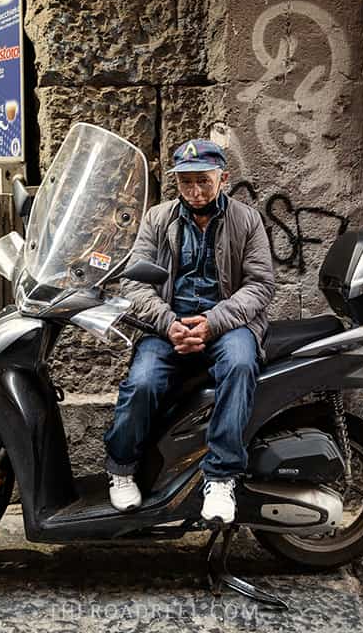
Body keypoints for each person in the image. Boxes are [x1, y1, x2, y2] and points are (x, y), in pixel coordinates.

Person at [103, 138, 275, 523]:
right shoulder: (156, 219)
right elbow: (133, 283)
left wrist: (214, 322)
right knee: (142, 382)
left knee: (241, 365)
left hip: (227, 323)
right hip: (168, 325)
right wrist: (168, 324)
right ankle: (120, 467)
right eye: (186, 183)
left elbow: (261, 284)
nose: (195, 192)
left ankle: (220, 476)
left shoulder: (247, 220)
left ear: (223, 179)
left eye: (203, 182)